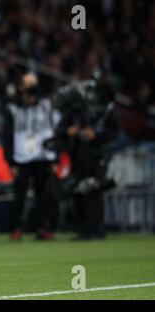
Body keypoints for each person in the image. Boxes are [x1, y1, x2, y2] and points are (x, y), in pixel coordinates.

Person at [53, 71, 119, 240]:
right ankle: (83, 229)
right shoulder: (75, 109)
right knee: (78, 189)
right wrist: (69, 131)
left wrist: (96, 135)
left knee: (94, 188)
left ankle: (97, 229)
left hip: (98, 152)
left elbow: (114, 132)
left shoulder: (108, 108)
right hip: (78, 152)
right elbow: (60, 129)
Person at [4, 72, 60, 241]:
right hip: (22, 155)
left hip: (43, 155)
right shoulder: (13, 107)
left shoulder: (46, 105)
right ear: (21, 86)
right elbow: (7, 135)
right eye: (28, 83)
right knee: (19, 194)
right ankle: (17, 228)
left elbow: (52, 130)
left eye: (33, 83)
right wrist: (10, 160)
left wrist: (54, 157)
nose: (31, 87)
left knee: (43, 194)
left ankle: (43, 227)